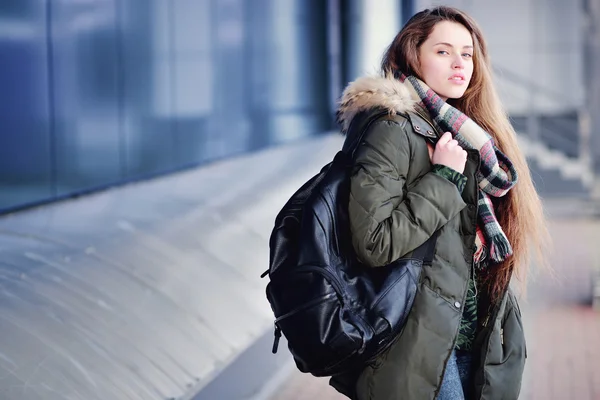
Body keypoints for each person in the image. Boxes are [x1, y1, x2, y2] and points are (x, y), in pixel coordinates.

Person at [333, 6, 549, 400]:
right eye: (443, 51)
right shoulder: (393, 129)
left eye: (467, 53)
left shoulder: (463, 131)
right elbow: (374, 243)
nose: (459, 64)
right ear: (412, 55)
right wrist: (444, 178)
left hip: (470, 331)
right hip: (419, 342)